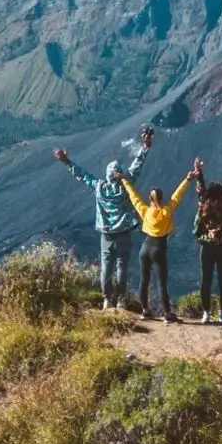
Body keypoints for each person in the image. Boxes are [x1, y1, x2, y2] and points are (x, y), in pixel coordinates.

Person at [54, 126, 154, 310]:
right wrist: (145, 147)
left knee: (106, 266)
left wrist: (66, 161)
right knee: (121, 266)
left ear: (108, 175)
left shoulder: (100, 187)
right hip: (123, 232)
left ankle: (107, 299)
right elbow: (137, 165)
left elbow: (83, 176)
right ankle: (121, 299)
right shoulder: (126, 184)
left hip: (106, 234)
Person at [122, 168, 194, 322]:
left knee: (144, 280)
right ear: (161, 199)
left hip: (144, 248)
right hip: (158, 249)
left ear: (150, 198)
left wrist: (124, 180)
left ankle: (145, 311)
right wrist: (187, 179)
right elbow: (176, 197)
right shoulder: (166, 212)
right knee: (161, 283)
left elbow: (133, 196)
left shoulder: (145, 211)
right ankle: (167, 314)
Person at [190, 154, 222, 324]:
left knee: (206, 280)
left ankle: (206, 313)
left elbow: (200, 187)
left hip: (207, 247)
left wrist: (199, 171)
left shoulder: (204, 204)